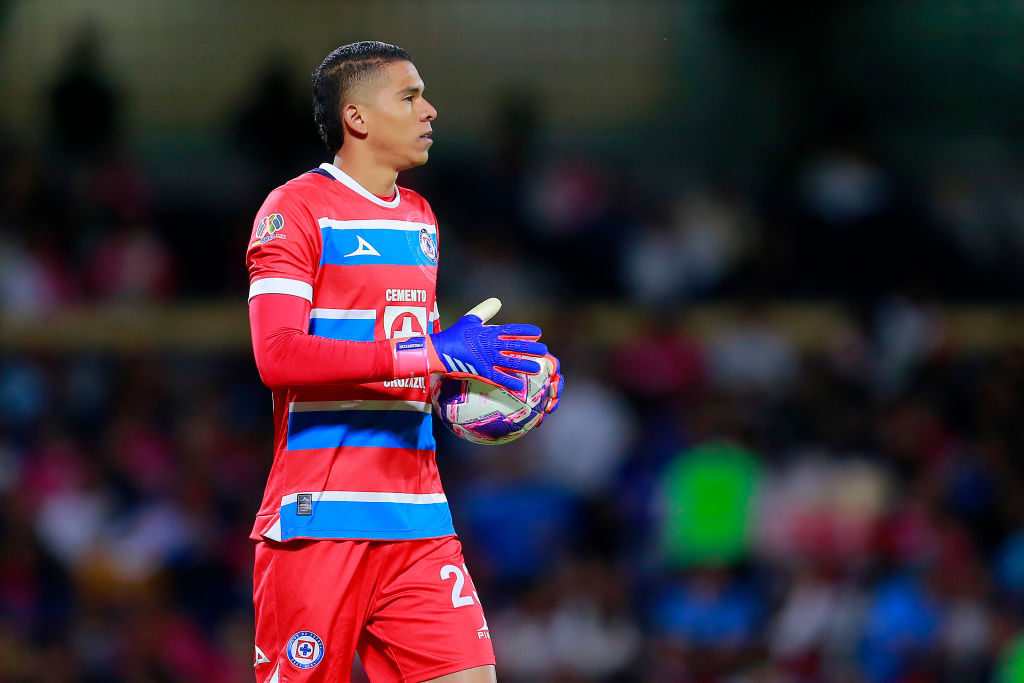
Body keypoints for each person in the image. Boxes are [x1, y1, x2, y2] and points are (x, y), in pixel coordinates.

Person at [245, 41, 562, 682]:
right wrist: (428, 351)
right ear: (357, 117)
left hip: (419, 521)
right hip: (321, 520)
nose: (430, 110)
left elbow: (418, 358)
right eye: (410, 96)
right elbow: (277, 355)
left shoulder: (421, 218)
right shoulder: (293, 209)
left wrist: (481, 384)